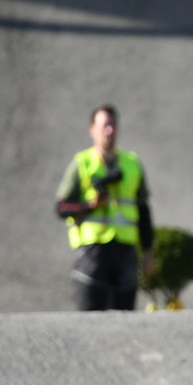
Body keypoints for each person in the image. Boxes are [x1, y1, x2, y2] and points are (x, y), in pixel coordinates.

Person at [55, 104, 155, 310]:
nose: (109, 130)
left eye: (113, 125)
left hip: (125, 250)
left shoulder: (132, 163)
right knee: (90, 318)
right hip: (93, 252)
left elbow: (143, 210)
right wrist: (90, 205)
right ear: (93, 129)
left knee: (125, 320)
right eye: (104, 125)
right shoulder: (82, 163)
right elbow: (62, 207)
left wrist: (148, 252)